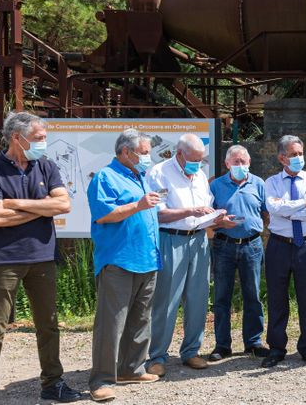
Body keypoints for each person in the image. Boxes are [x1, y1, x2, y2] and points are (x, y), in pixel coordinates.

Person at [0, 111, 80, 405]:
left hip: (42, 256)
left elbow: (64, 204)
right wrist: (42, 208)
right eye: (39, 138)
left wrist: (16, 203)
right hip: (4, 259)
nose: (44, 142)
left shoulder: (46, 166)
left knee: (49, 324)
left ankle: (52, 384)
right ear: (17, 138)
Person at [86, 129, 163, 402]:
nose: (147, 157)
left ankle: (131, 368)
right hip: (118, 260)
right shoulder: (106, 177)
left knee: (141, 319)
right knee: (112, 323)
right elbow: (104, 215)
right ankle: (102, 380)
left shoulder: (140, 176)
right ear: (125, 152)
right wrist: (138, 205)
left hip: (147, 259)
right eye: (143, 152)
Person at [145, 134, 230, 377]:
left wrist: (218, 219)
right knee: (167, 300)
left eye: (200, 160)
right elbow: (157, 214)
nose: (197, 164)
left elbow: (206, 206)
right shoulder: (159, 173)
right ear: (179, 154)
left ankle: (191, 351)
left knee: (198, 298)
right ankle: (157, 356)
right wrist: (190, 211)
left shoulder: (200, 175)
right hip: (171, 239)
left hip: (200, 239)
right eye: (193, 159)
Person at [261, 135, 306, 368]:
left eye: (300, 153)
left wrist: (289, 210)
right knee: (277, 297)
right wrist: (304, 204)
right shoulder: (271, 183)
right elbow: (273, 207)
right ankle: (276, 348)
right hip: (279, 244)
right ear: (282, 158)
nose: (299, 158)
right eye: (293, 154)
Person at [207, 145, 270, 361]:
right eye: (236, 162)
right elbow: (208, 217)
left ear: (249, 163)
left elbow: (266, 214)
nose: (240, 165)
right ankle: (222, 345)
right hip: (223, 245)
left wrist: (255, 230)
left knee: (252, 295)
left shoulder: (259, 184)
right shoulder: (216, 186)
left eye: (243, 161)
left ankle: (253, 343)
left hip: (251, 245)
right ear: (227, 164)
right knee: (221, 296)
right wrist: (219, 222)